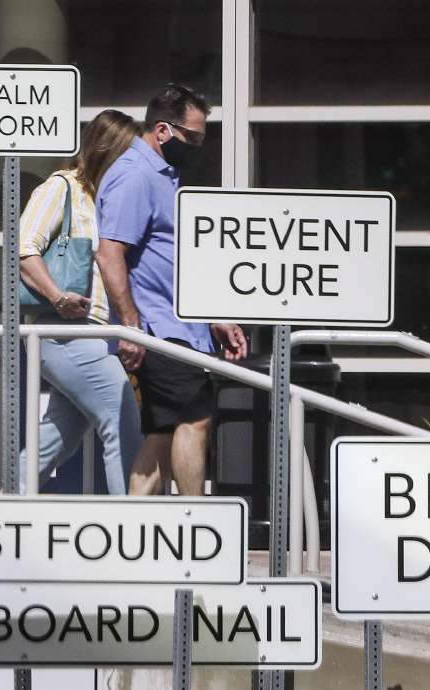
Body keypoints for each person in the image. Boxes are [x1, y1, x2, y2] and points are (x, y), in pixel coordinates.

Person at [94, 84, 247, 497]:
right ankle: (194, 525)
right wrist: (132, 327)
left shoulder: (165, 175)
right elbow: (110, 255)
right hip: (158, 330)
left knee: (162, 433)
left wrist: (212, 316)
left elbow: (171, 260)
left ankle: (136, 529)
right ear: (163, 130)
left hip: (178, 326)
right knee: (194, 419)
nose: (199, 145)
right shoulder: (135, 176)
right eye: (193, 137)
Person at [17, 109, 144, 494]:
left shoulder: (108, 197)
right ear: (106, 150)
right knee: (121, 418)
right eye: (129, 153)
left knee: (58, 436)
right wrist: (57, 297)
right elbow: (23, 250)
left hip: (94, 331)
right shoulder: (62, 187)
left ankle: (8, 502)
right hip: (65, 330)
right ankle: (132, 529)